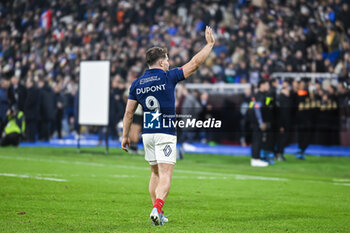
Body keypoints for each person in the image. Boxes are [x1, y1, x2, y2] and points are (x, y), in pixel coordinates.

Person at [121, 26, 215, 226]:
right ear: (162, 61)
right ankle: (158, 207)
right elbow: (195, 63)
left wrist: (125, 136)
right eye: (168, 60)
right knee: (165, 174)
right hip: (165, 133)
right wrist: (209, 45)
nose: (169, 63)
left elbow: (129, 113)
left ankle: (157, 211)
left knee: (154, 173)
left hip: (148, 134)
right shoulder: (168, 76)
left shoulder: (137, 83)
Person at [248, 80, 269, 167]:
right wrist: (261, 122)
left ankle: (257, 158)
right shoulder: (259, 95)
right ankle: (255, 159)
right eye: (267, 84)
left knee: (259, 139)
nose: (268, 86)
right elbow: (257, 110)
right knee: (257, 140)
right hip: (257, 122)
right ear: (262, 85)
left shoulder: (262, 95)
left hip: (258, 121)